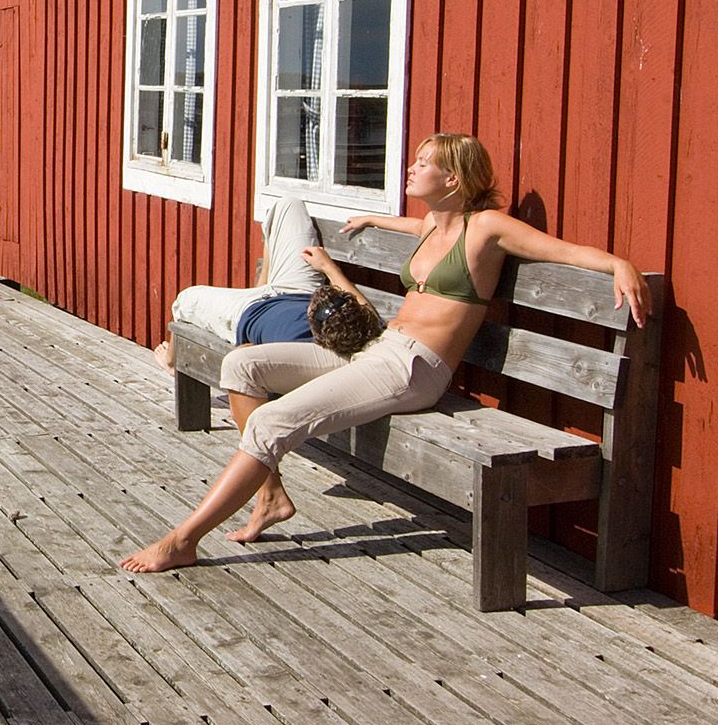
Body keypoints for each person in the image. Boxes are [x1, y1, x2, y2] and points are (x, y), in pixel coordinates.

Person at [121, 132, 651, 573]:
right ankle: (271, 494)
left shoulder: (486, 227)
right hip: (380, 349)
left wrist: (619, 264)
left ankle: (183, 541)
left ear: (454, 180)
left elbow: (564, 251)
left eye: (425, 163)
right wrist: (372, 222)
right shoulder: (430, 226)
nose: (411, 168)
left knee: (271, 424)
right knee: (242, 363)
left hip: (414, 367)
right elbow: (411, 225)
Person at [153, 195, 326, 370]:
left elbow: (244, 358)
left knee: (187, 298)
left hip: (248, 311)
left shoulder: (294, 358)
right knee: (289, 205)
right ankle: (263, 287)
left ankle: (170, 361)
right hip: (302, 292)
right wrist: (327, 266)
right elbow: (355, 300)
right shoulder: (347, 341)